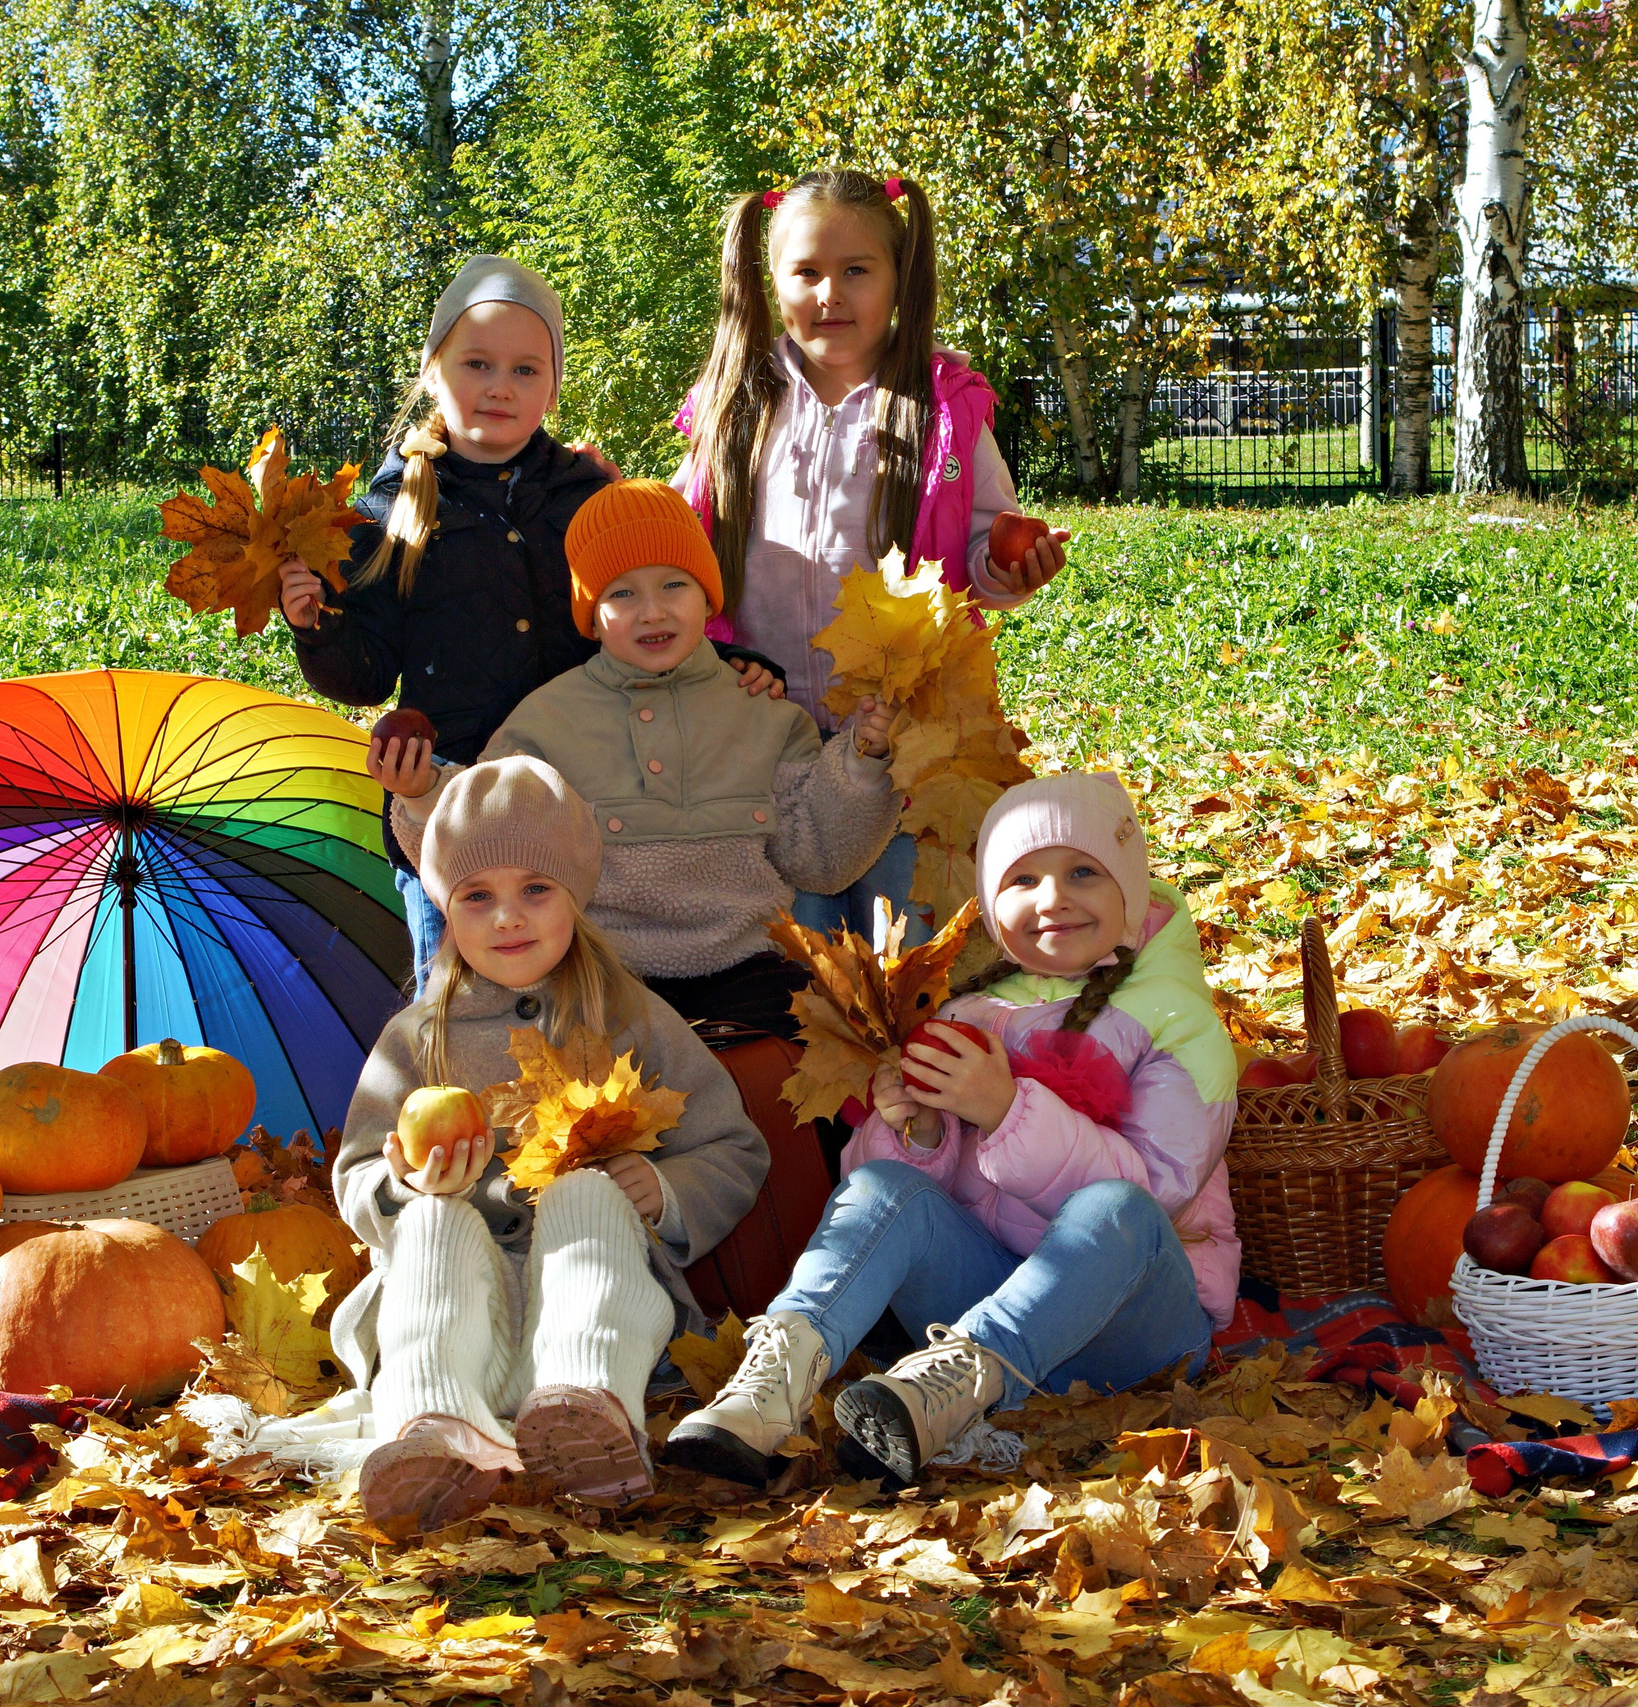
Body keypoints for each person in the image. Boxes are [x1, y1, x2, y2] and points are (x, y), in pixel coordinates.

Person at [660, 773, 1242, 1491]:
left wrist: (1006, 1111)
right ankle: (774, 1383)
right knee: (880, 1185)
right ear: (994, 906)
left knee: (1117, 1208)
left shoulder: (1179, 1023)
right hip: (979, 1300)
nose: (1052, 898)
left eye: (1082, 872)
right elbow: (892, 1199)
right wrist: (917, 1129)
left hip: (1134, 1326)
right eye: (1023, 878)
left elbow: (1160, 1192)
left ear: (1128, 880)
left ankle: (957, 1383)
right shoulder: (969, 1009)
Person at [283, 255, 779, 985]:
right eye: (477, 363)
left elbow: (648, 616)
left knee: (579, 1004)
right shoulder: (387, 510)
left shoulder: (586, 493)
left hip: (580, 800)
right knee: (456, 1007)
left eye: (525, 370)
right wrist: (318, 626)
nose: (499, 387)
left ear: (552, 384)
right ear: (432, 371)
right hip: (446, 807)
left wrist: (728, 667)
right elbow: (365, 669)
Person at [327, 757, 769, 1535]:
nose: (508, 918)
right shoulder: (415, 1040)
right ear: (446, 908)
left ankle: (589, 1410)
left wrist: (662, 1191)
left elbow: (731, 1147)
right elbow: (357, 1171)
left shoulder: (630, 1017)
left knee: (587, 1189)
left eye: (536, 889)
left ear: (577, 896)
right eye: (477, 897)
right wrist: (402, 1185)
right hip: (460, 1320)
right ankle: (434, 1428)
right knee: (434, 1220)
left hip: (591, 1315)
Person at [672, 168, 1072, 944]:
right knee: (801, 949)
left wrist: (1007, 565)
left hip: (905, 741)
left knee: (905, 940)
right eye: (808, 272)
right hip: (770, 739)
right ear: (773, 283)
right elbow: (684, 552)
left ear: (897, 278)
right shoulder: (737, 404)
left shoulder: (943, 414)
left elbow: (982, 547)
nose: (831, 294)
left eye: (856, 270)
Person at [379, 479, 900, 1038]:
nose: (652, 611)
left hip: (746, 965)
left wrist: (865, 759)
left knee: (788, 1069)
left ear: (708, 596)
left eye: (674, 584)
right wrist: (423, 793)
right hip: (596, 973)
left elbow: (818, 856)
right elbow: (488, 839)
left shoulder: (765, 714)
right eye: (621, 594)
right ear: (591, 613)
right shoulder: (544, 721)